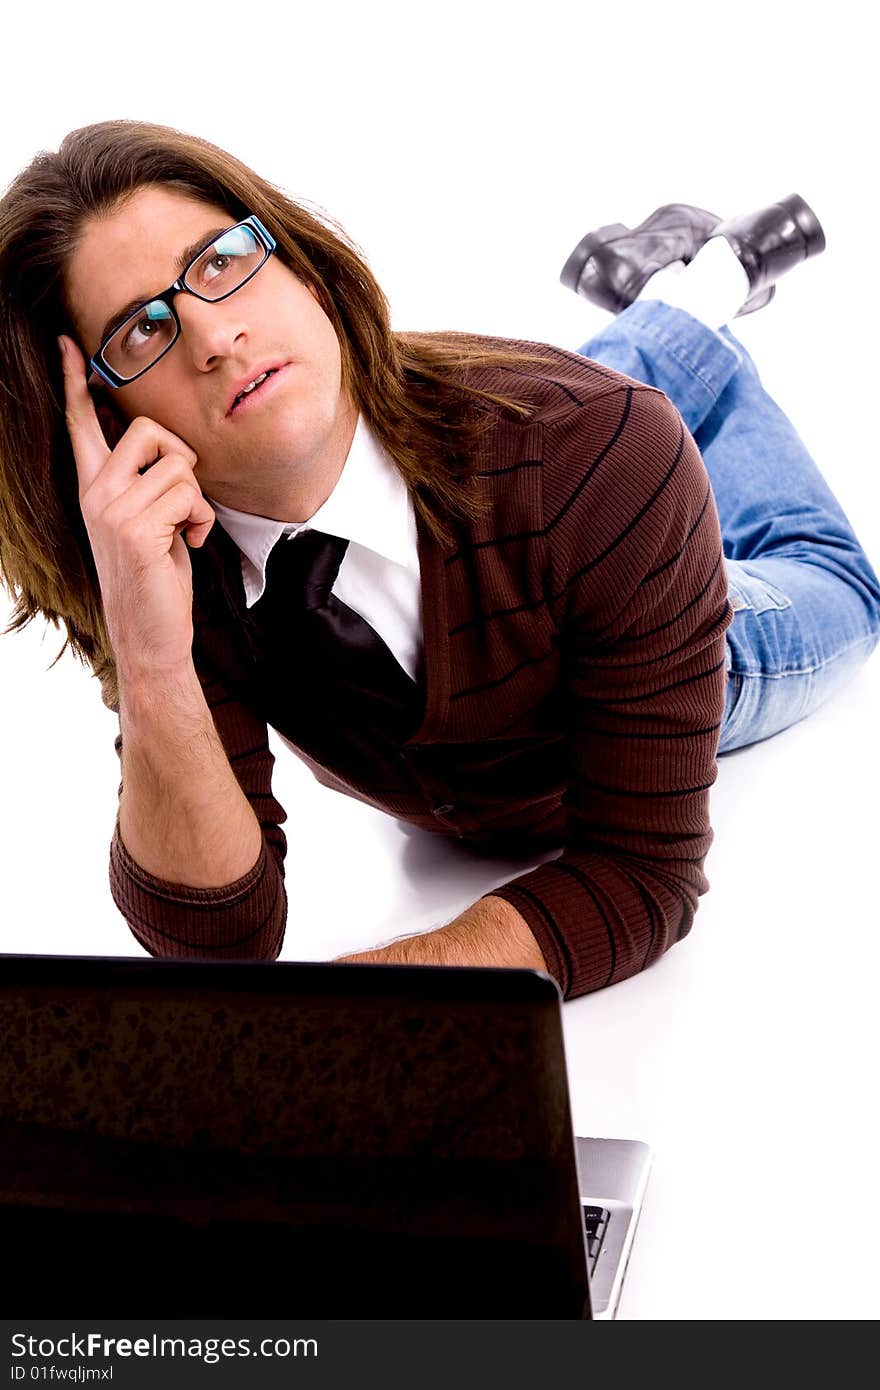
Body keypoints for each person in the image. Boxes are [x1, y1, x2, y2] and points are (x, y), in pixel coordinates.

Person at [0, 123, 877, 1001]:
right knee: (576, 428)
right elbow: (216, 948)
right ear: (107, 420)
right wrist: (150, 656)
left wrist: (355, 1014)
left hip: (702, 656)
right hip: (557, 474)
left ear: (298, 262)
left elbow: (640, 871)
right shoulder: (155, 561)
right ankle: (666, 297)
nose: (213, 337)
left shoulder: (600, 451)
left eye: (222, 262)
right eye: (144, 327)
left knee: (828, 573)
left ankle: (705, 284)